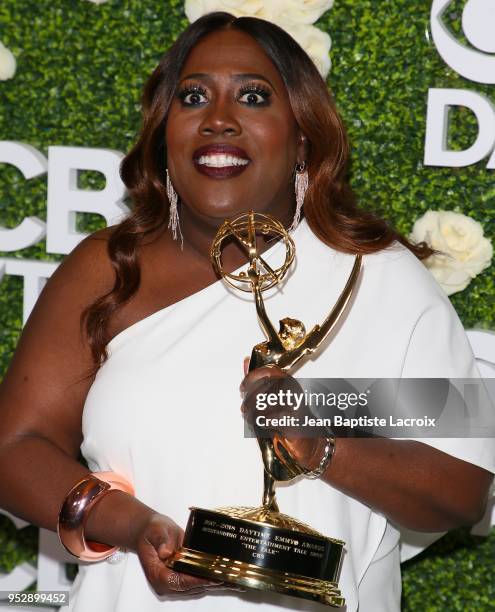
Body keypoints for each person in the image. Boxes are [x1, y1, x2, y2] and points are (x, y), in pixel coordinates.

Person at [0, 11, 493, 612]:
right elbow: (16, 445)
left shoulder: (381, 278)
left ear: (303, 135)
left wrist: (322, 448)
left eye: (253, 96)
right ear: (164, 133)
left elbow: (465, 485)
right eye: (193, 97)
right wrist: (125, 522)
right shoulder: (108, 268)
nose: (218, 120)